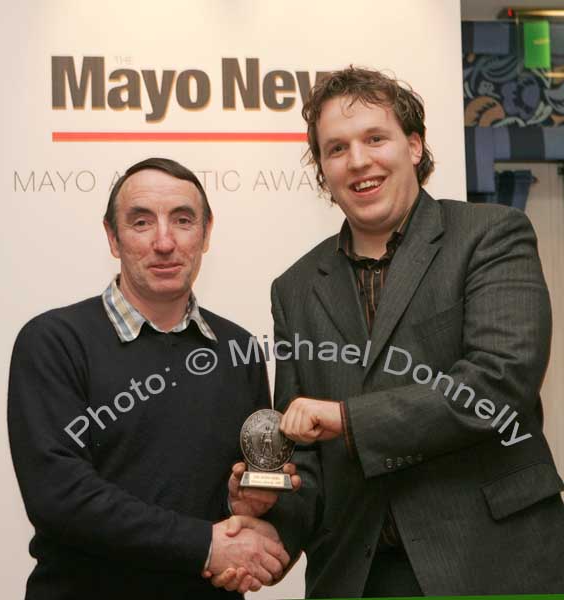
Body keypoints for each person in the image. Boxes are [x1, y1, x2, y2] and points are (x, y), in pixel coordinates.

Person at [215, 67, 564, 597]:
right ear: (323, 172)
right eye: (336, 149)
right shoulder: (295, 288)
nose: (358, 161)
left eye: (375, 138)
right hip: (358, 576)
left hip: (491, 562)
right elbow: (306, 455)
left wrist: (345, 418)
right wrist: (268, 509)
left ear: (415, 146)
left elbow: (499, 383)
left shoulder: (490, 235)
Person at [7, 157, 291, 599]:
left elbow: (220, 493)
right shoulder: (53, 342)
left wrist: (238, 505)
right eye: (142, 222)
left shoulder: (241, 350)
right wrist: (204, 546)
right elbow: (59, 497)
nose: (164, 242)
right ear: (112, 237)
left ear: (206, 233)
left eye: (183, 220)